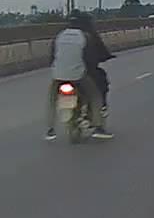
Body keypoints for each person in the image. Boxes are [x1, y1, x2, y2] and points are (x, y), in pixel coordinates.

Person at [46, 11, 112, 140]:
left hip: (58, 75)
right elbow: (91, 58)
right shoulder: (86, 36)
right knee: (95, 96)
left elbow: (52, 57)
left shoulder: (59, 36)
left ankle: (50, 129)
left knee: (52, 99)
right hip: (78, 75)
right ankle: (98, 127)